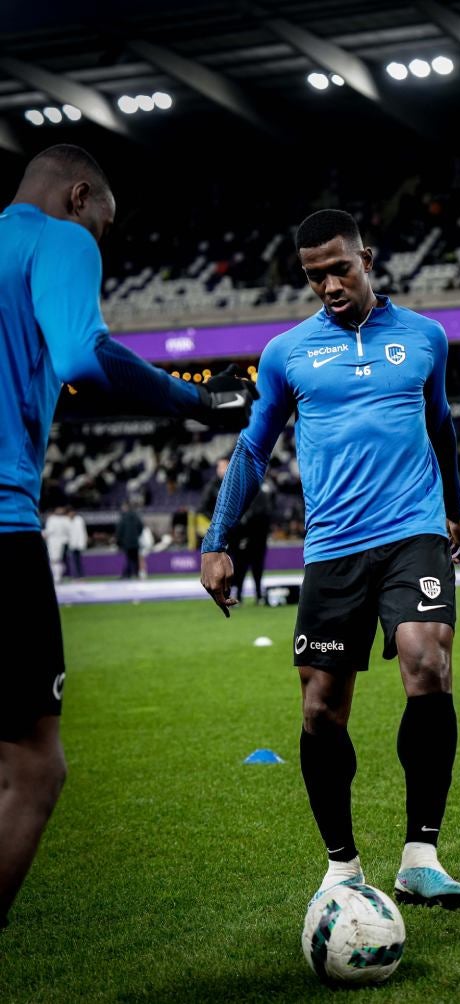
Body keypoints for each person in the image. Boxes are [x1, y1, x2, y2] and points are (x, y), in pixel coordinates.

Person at [0, 144, 257, 930]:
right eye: (104, 228)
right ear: (79, 197)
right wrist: (197, 399)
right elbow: (84, 352)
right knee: (34, 770)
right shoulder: (61, 237)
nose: (100, 246)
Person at [201, 209, 460, 910]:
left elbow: (439, 425)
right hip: (332, 546)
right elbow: (254, 448)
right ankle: (342, 865)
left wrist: (456, 510)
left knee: (427, 658)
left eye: (338, 268)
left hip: (412, 529)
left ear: (367, 259)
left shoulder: (424, 337)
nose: (327, 284)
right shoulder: (287, 353)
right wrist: (217, 538)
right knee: (322, 708)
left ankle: (420, 854)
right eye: (313, 275)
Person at [230, 482, 273, 604]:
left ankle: (257, 595)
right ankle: (241, 595)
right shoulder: (241, 496)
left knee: (255, 569)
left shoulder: (261, 495)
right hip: (244, 540)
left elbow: (265, 517)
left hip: (255, 540)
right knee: (241, 570)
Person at [42, 506, 72, 584]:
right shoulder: (65, 519)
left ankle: (57, 578)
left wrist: (42, 533)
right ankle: (58, 577)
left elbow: (49, 531)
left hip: (55, 542)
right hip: (62, 542)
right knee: (58, 561)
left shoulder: (52, 519)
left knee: (55, 561)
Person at [116, 502, 143, 579]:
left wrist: (119, 540)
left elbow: (119, 530)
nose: (122, 509)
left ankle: (128, 574)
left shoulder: (123, 517)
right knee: (135, 558)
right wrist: (136, 535)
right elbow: (141, 527)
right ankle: (137, 573)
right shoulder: (136, 516)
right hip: (135, 541)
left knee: (129, 558)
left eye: (123, 507)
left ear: (126, 507)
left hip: (127, 542)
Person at [66, 508, 88, 579]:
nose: (71, 514)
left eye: (73, 512)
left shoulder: (79, 520)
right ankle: (75, 575)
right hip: (71, 543)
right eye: (70, 513)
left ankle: (80, 574)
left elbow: (83, 531)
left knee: (78, 560)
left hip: (79, 543)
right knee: (73, 560)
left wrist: (84, 540)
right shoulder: (66, 521)